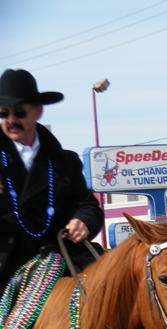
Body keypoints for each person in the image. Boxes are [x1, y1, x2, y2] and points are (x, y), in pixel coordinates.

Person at [0, 69, 104, 290]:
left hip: (61, 263)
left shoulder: (65, 161)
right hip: (6, 270)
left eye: (19, 112)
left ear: (37, 111)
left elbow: (88, 207)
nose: (11, 120)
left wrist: (82, 221)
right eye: (3, 113)